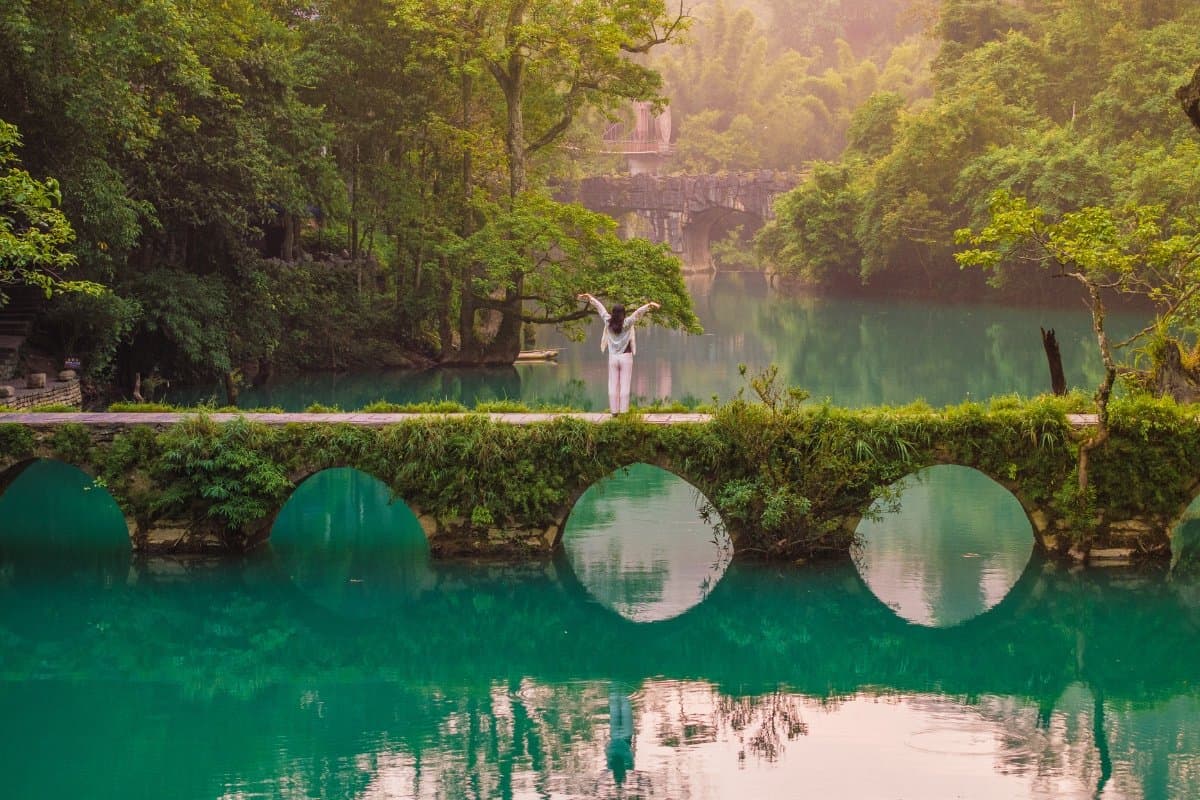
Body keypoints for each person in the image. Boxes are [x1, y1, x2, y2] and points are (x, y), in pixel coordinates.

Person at [577, 293, 660, 415]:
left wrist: (590, 298)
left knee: (613, 385)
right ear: (623, 314)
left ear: (613, 313)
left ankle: (614, 412)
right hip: (626, 357)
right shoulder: (627, 323)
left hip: (613, 358)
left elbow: (600, 308)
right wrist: (649, 305)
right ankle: (624, 412)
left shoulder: (608, 321)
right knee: (624, 386)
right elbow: (638, 313)